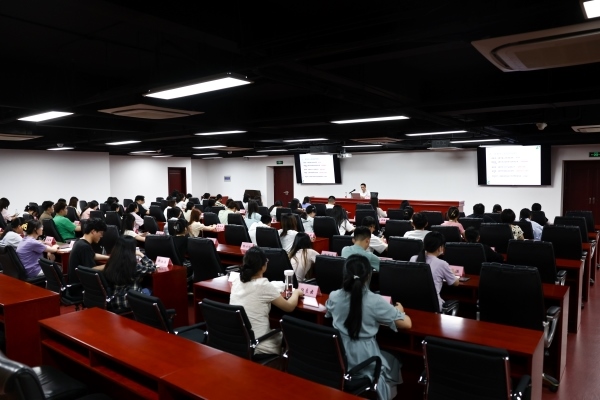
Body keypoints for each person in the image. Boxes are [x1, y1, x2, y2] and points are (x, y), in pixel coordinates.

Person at [325, 254, 411, 400]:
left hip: (338, 355)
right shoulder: (376, 301)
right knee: (394, 360)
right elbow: (407, 323)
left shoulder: (334, 296)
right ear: (369, 275)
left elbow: (328, 313)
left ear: (345, 274)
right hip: (364, 358)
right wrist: (400, 311)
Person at [229, 247, 304, 355]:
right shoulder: (263, 285)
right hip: (259, 345)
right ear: (263, 266)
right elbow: (289, 307)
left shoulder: (237, 281)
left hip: (238, 342)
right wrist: (296, 292)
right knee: (288, 333)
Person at [103, 236, 156, 312]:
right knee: (150, 290)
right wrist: (141, 254)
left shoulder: (111, 262)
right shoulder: (133, 267)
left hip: (114, 301)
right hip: (129, 302)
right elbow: (152, 267)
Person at [410, 231, 459, 310]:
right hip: (433, 306)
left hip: (413, 303)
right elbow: (455, 283)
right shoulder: (442, 264)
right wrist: (452, 274)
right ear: (440, 248)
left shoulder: (413, 258)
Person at [68, 218, 110, 288]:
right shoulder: (85, 247)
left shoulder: (79, 242)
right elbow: (91, 269)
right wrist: (111, 265)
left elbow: (93, 255)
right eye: (101, 233)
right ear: (93, 231)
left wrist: (109, 258)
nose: (101, 236)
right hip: (80, 286)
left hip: (75, 282)